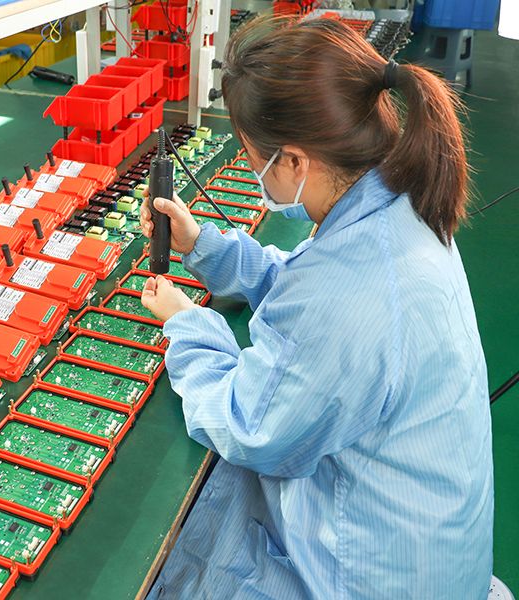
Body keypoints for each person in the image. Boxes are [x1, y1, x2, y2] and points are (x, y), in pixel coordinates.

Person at [140, 17, 493, 600]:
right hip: (427, 540)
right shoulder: (395, 205)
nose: (252, 170)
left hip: (379, 580)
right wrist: (203, 246)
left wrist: (187, 325)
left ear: (295, 163)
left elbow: (251, 427)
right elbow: (301, 282)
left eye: (253, 157)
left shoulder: (353, 284)